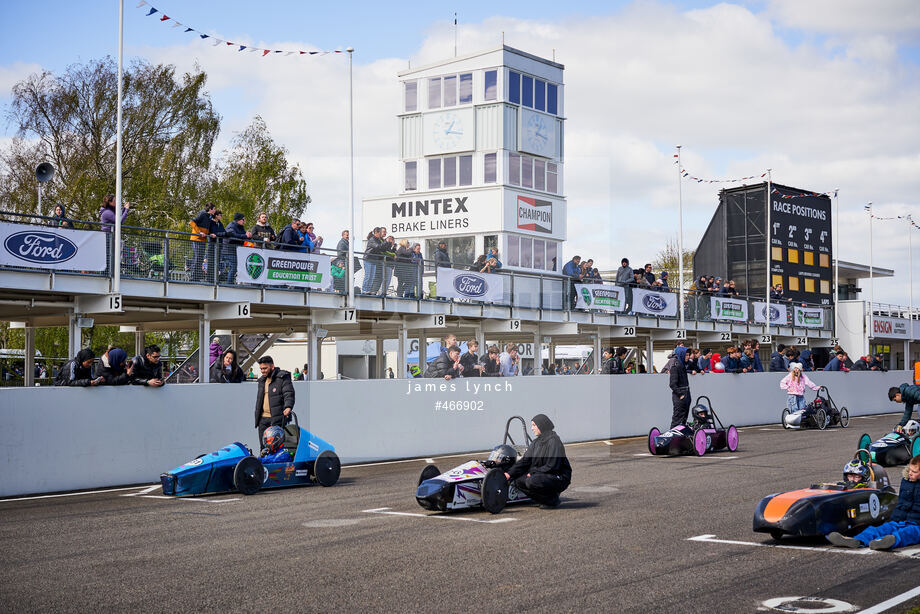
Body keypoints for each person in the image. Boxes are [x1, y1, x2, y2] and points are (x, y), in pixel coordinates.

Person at [827, 455, 920, 551]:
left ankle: (888, 541)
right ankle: (857, 540)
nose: (910, 473)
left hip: (917, 524)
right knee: (880, 529)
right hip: (899, 520)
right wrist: (893, 519)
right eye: (910, 470)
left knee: (907, 533)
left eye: (914, 472)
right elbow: (901, 504)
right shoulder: (906, 482)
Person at [504, 414, 571, 508]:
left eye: (534, 425)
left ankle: (552, 500)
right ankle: (547, 499)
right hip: (543, 474)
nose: (532, 428)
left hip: (559, 476)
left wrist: (533, 472)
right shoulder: (536, 443)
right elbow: (525, 461)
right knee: (518, 481)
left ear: (542, 425)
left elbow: (552, 466)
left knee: (532, 481)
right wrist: (509, 474)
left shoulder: (554, 441)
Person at [254, 356, 295, 445]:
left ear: (272, 366)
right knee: (263, 448)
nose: (262, 371)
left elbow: (288, 393)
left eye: (265, 368)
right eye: (261, 369)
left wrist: (288, 407)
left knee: (277, 447)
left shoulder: (282, 378)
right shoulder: (261, 381)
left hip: (277, 419)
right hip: (262, 420)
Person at [223, 213, 251, 284]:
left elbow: (244, 235)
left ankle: (231, 282)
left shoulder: (241, 227)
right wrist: (245, 235)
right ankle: (229, 283)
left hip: (236, 251)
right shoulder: (231, 226)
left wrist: (249, 235)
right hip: (228, 251)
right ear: (238, 220)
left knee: (236, 267)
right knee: (234, 266)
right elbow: (233, 235)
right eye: (243, 219)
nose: (244, 221)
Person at [667, 346, 690, 428]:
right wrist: (680, 395)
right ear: (681, 355)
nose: (688, 357)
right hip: (679, 396)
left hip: (686, 393)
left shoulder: (683, 365)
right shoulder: (675, 367)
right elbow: (672, 384)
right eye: (686, 355)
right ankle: (672, 437)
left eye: (688, 355)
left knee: (684, 418)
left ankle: (681, 436)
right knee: (677, 417)